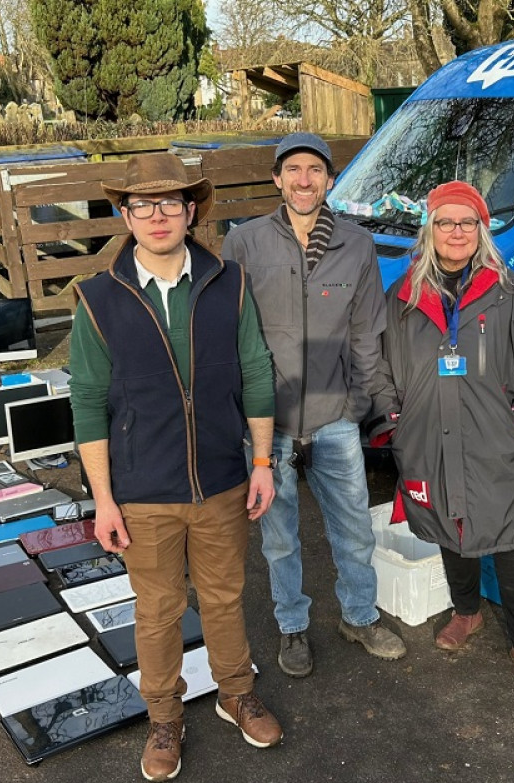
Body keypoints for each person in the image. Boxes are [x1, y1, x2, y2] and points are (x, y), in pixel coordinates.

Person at [69, 152, 282, 782]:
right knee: (157, 609)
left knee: (224, 596)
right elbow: (86, 400)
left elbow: (256, 374)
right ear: (125, 215)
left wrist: (263, 462)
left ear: (192, 212)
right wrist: (103, 499)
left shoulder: (229, 282)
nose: (157, 216)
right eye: (143, 205)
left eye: (170, 204)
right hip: (142, 490)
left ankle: (234, 692)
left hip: (221, 479)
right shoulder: (98, 298)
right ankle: (164, 716)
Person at [221, 132, 406, 678]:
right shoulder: (246, 243)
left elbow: (366, 333)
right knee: (279, 538)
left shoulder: (356, 244)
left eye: (315, 171)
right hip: (267, 423)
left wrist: (357, 405)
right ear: (277, 179)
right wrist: (241, 411)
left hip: (333, 418)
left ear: (329, 180)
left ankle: (359, 615)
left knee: (352, 528)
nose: (305, 180)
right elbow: (228, 332)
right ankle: (292, 627)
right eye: (293, 169)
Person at [370, 180, 514, 690]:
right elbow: (378, 366)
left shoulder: (512, 293)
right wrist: (396, 423)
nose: (456, 232)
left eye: (467, 222)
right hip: (430, 437)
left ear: (482, 229)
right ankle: (467, 612)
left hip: (498, 442)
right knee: (449, 528)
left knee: (513, 542)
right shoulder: (404, 295)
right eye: (445, 222)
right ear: (429, 231)